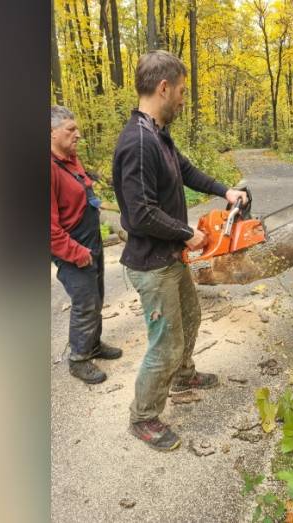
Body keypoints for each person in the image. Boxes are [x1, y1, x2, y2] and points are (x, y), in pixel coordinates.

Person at [112, 50, 248, 451]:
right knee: (164, 343)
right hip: (151, 265)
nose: (184, 100)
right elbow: (138, 214)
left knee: (191, 315)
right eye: (182, 92)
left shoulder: (157, 133)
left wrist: (225, 190)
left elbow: (186, 170)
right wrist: (187, 232)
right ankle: (144, 416)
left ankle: (183, 374)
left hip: (169, 258)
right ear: (164, 87)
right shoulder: (137, 141)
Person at [51, 106, 123, 384]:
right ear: (51, 133)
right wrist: (76, 253)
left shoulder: (70, 159)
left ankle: (93, 344)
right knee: (85, 302)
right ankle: (79, 359)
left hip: (91, 240)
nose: (78, 134)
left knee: (97, 297)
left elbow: (88, 197)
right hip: (71, 247)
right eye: (70, 130)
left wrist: (114, 220)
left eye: (76, 129)